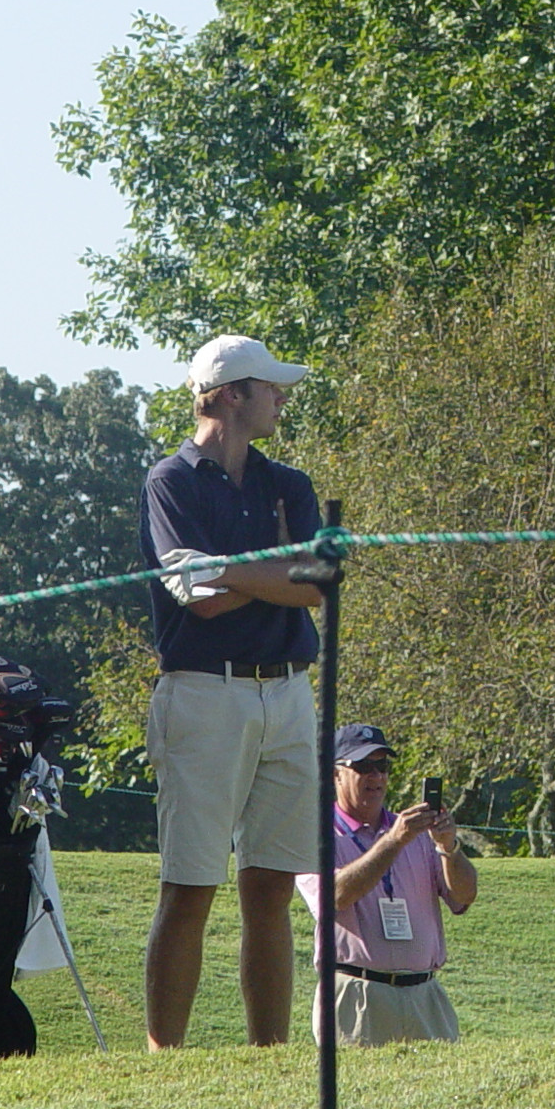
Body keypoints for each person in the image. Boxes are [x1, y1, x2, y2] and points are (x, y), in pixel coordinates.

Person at [139, 334, 327, 1049]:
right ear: (226, 394)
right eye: (268, 385)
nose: (283, 395)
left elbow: (317, 583)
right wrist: (275, 568)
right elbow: (198, 597)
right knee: (190, 888)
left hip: (288, 694)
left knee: (272, 892)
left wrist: (238, 571)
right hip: (203, 695)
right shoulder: (170, 482)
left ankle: (269, 1058)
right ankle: (167, 1062)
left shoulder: (291, 484)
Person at [296, 724, 474, 1047]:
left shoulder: (418, 833)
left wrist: (449, 847)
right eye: (363, 767)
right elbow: (335, 895)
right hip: (357, 997)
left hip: (425, 996)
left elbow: (463, 897)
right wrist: (393, 841)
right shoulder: (314, 834)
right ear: (335, 774)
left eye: (383, 766)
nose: (376, 777)